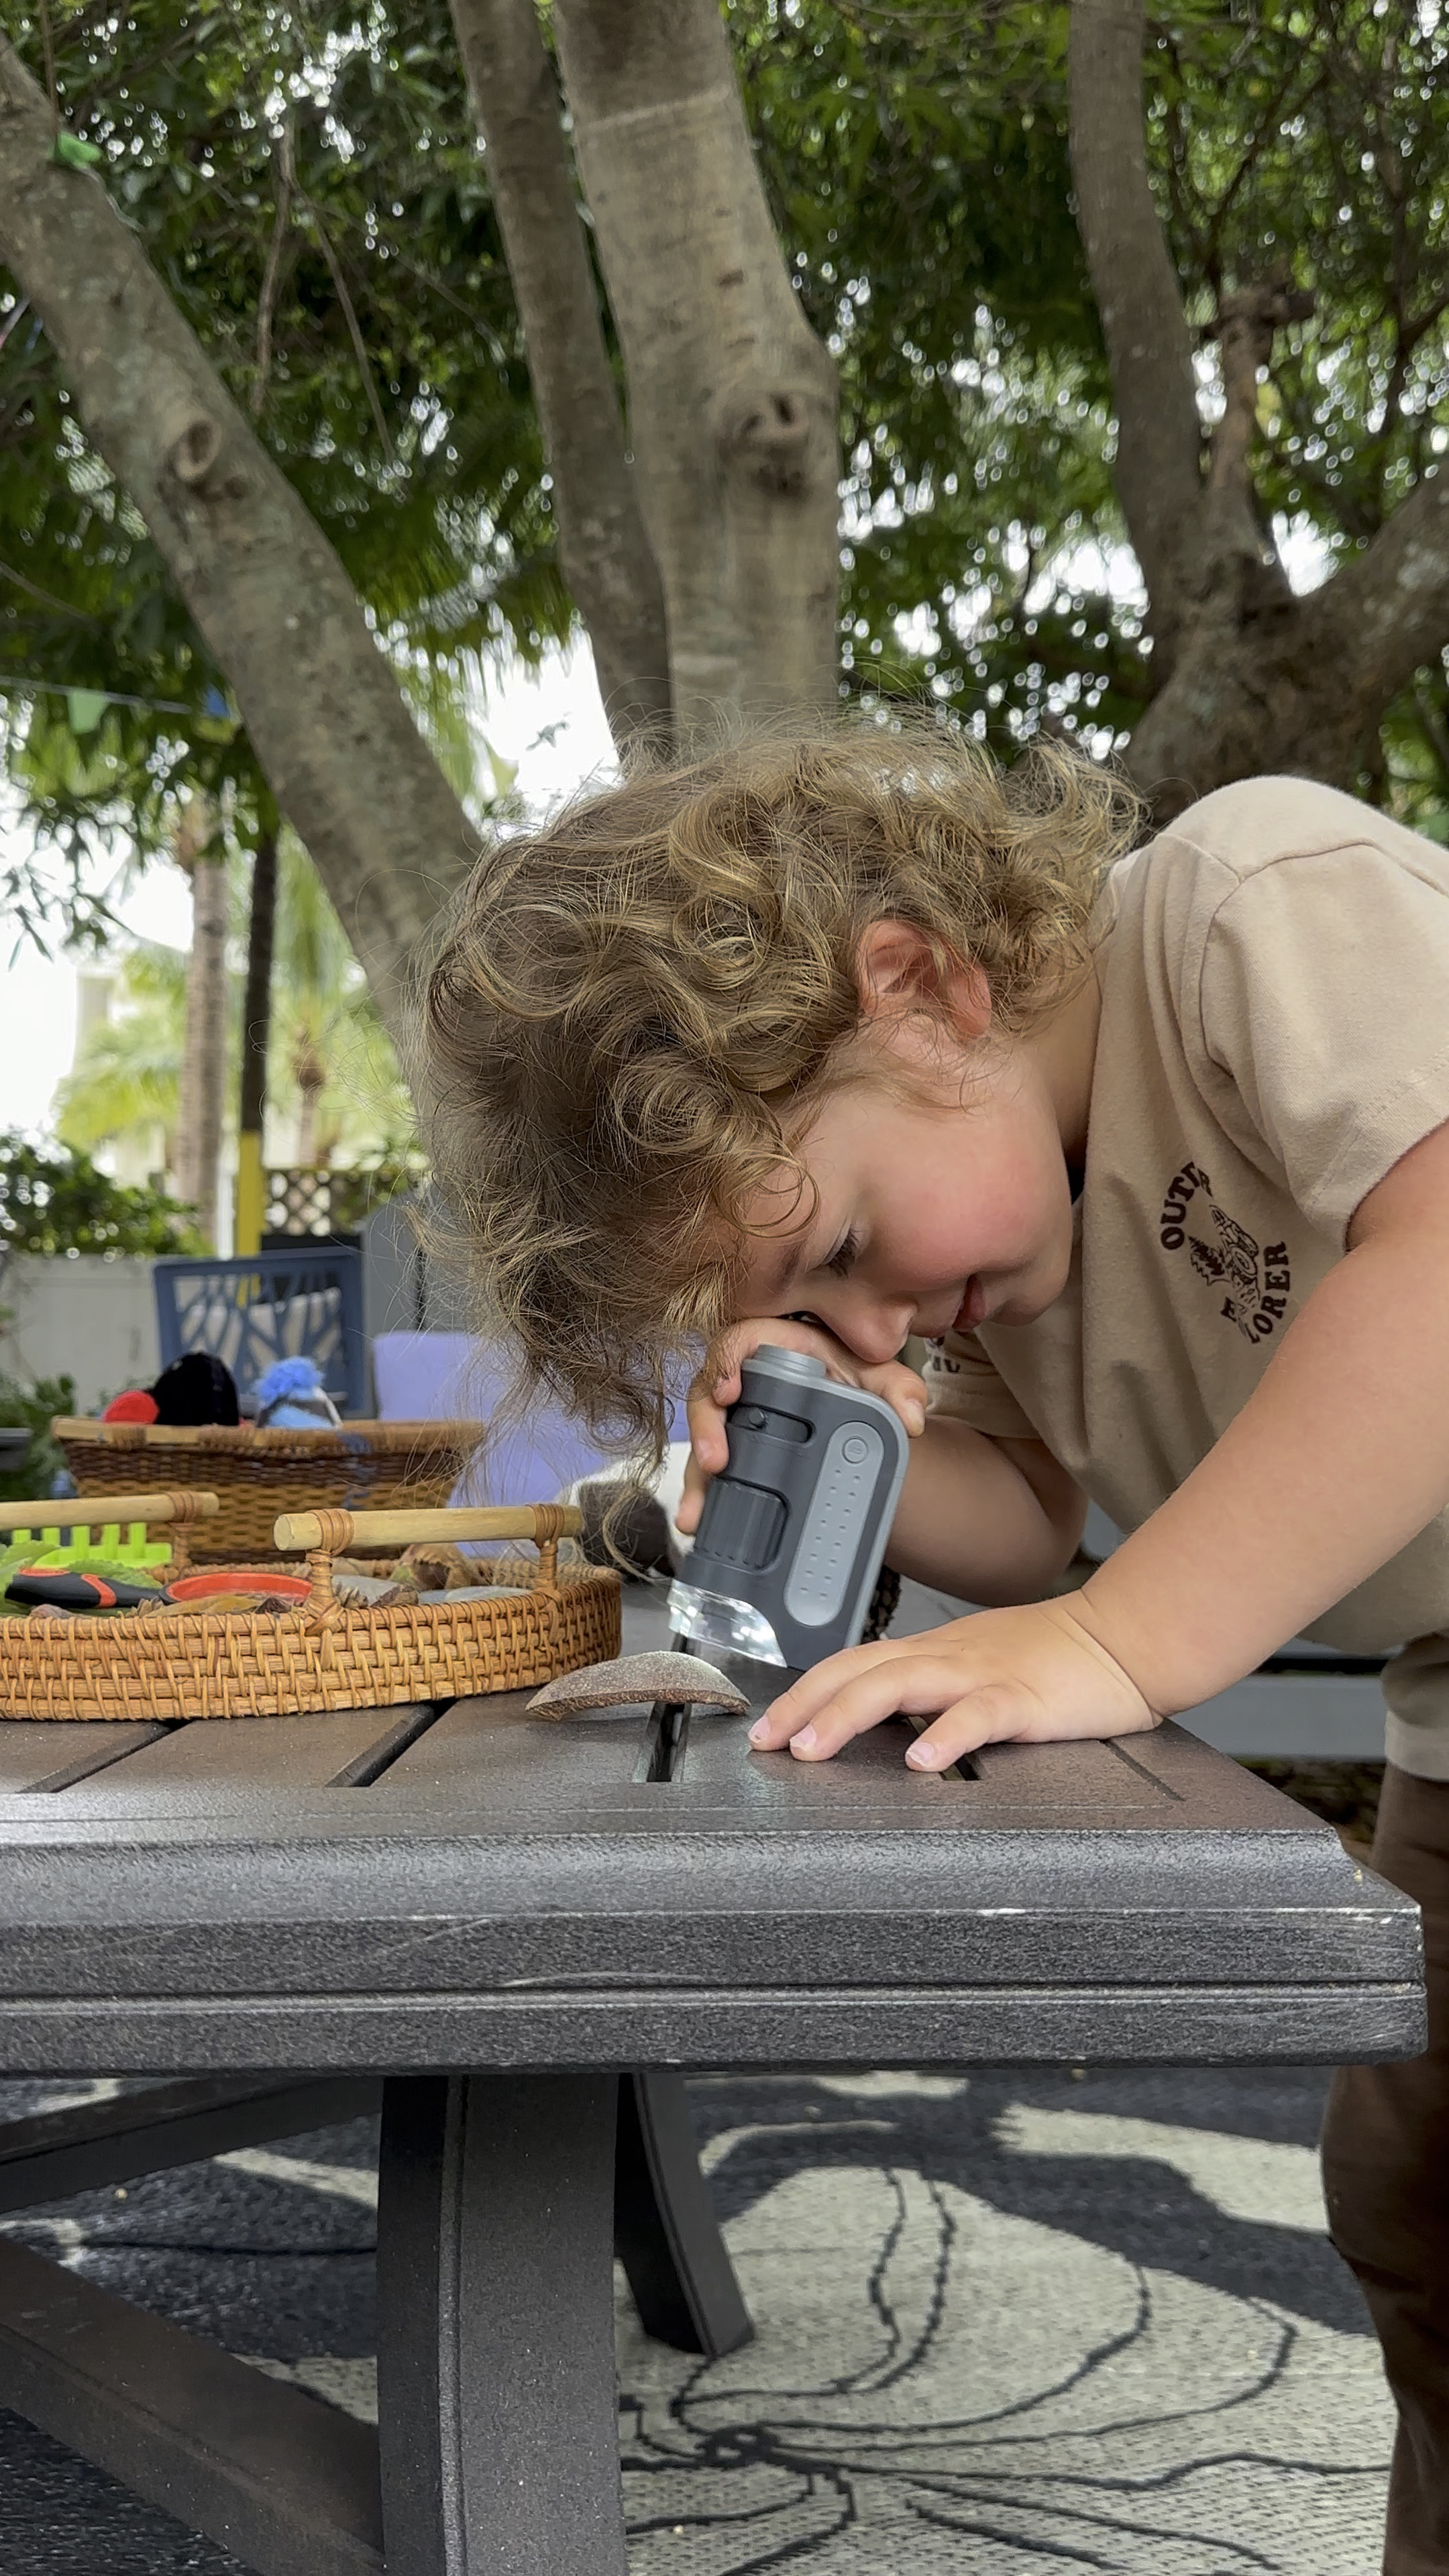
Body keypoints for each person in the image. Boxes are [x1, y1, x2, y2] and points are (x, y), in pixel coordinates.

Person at [422, 727, 1449, 2567]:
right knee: (1418, 2198)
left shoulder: (1246, 912)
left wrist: (1127, 1641)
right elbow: (1041, 1510)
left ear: (919, 987)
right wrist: (855, 1446)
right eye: (813, 1310)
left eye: (844, 1250)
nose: (876, 1314)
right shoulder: (1008, 1224)